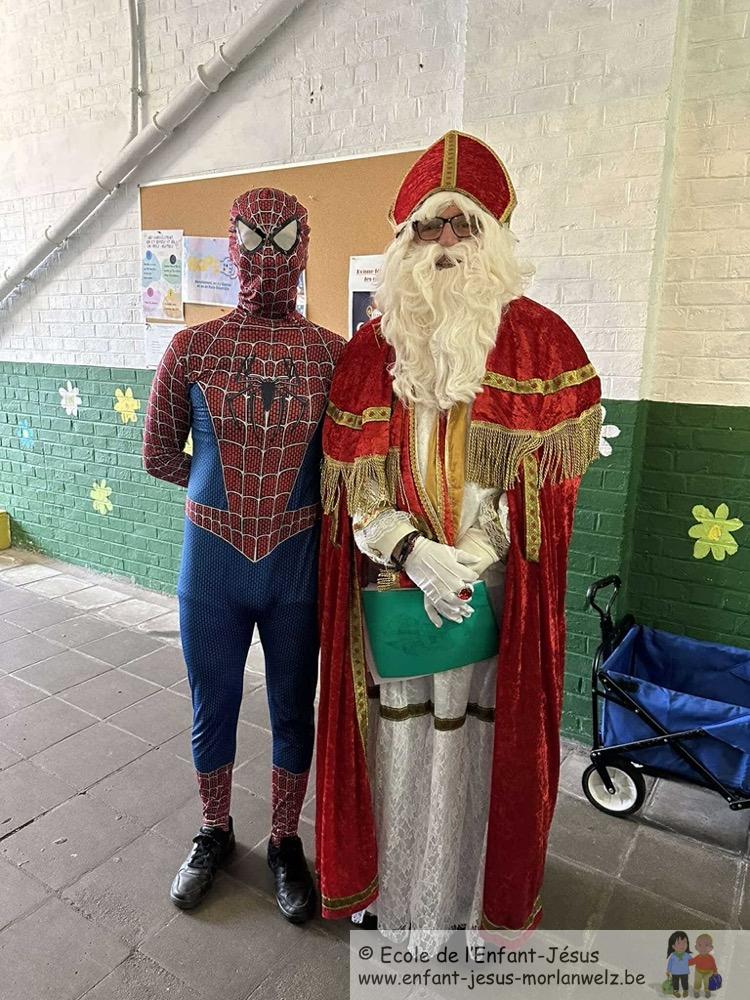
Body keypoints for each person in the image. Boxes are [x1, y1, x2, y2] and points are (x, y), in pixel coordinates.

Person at [315, 131, 602, 945]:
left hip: (487, 604)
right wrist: (413, 551)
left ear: (493, 235)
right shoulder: (369, 353)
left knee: (476, 754)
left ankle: (463, 906)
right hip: (396, 594)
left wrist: (469, 560)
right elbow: (357, 487)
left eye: (463, 224)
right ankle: (397, 901)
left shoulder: (542, 343)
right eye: (429, 226)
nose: (445, 242)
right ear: (404, 241)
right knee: (400, 752)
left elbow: (538, 493)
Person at [143, 187, 344, 922]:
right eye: (255, 240)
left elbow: (350, 465)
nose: (268, 256)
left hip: (295, 568)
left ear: (305, 244)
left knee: (294, 704)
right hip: (215, 568)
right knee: (213, 700)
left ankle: (285, 839)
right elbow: (157, 452)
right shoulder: (191, 347)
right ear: (231, 246)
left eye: (283, 239)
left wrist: (218, 492)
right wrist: (217, 497)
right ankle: (214, 829)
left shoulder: (333, 355)